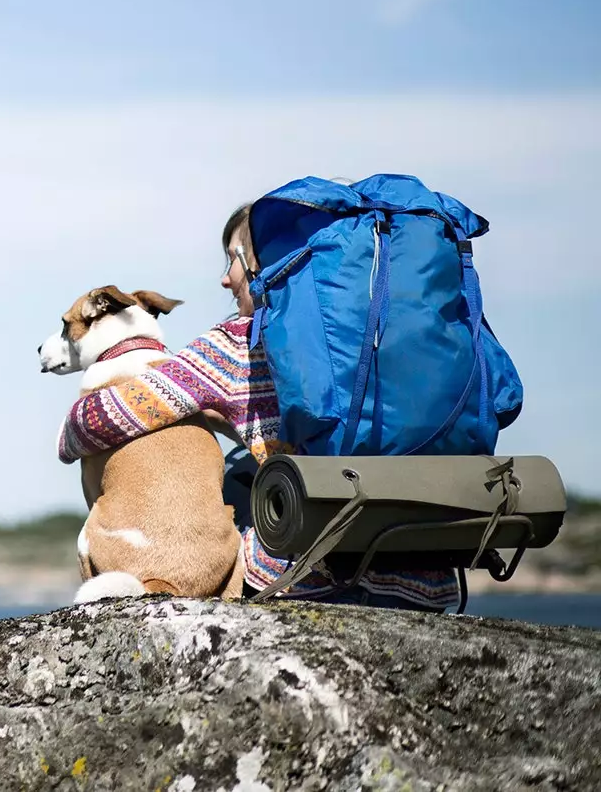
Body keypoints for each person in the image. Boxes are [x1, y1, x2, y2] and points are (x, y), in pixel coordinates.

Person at [56, 202, 460, 611]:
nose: (225, 279)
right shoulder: (431, 341)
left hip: (305, 579)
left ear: (265, 265)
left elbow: (102, 420)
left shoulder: (237, 346)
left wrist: (70, 431)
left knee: (232, 479)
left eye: (233, 259)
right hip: (426, 581)